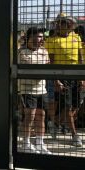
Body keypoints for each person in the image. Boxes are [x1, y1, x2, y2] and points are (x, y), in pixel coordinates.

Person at [45, 13, 84, 147]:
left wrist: (82, 77)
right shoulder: (52, 40)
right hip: (61, 76)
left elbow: (80, 59)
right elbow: (51, 62)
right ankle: (74, 135)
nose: (64, 25)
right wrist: (56, 80)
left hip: (76, 76)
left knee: (76, 106)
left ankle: (55, 122)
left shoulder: (76, 37)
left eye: (67, 23)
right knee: (67, 106)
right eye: (61, 23)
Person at [18, 27, 51, 154]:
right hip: (27, 89)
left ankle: (39, 143)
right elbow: (31, 72)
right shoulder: (21, 52)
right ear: (28, 38)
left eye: (41, 37)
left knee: (41, 116)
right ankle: (26, 143)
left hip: (41, 89)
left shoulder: (44, 51)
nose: (39, 40)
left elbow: (47, 68)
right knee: (29, 116)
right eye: (36, 37)